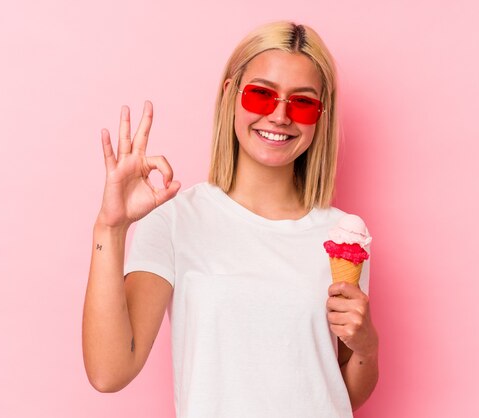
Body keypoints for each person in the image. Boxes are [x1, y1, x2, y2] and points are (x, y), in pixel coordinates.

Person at [82, 21, 379, 418]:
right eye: (261, 94)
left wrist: (367, 346)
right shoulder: (175, 220)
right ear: (231, 96)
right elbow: (108, 372)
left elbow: (339, 394)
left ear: (320, 116)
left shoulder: (343, 237)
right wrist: (111, 228)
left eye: (303, 102)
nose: (279, 115)